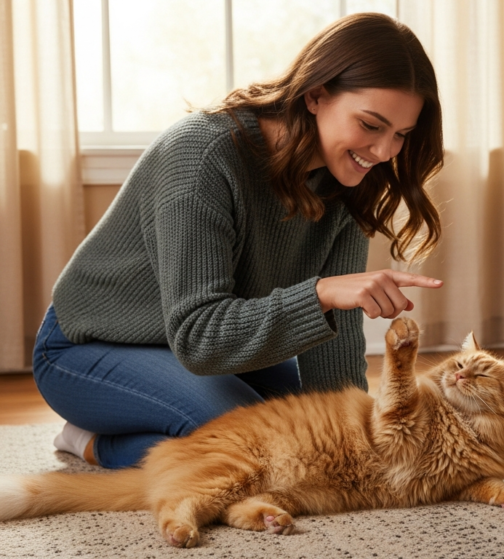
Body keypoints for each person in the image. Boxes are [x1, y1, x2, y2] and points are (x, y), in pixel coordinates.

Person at [32, 13, 444, 469]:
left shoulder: (350, 180)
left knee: (319, 435)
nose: (385, 151)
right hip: (87, 348)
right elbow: (199, 336)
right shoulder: (202, 155)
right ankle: (91, 443)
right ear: (315, 95)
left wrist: (353, 437)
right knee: (254, 442)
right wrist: (323, 293)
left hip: (211, 351)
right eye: (370, 125)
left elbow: (334, 344)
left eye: (401, 135)